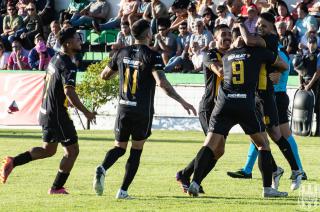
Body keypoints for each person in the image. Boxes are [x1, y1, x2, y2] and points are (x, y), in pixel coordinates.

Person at [92, 19, 196, 199]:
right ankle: (123, 191)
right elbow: (162, 82)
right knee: (136, 149)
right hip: (141, 110)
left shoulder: (121, 52)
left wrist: (123, 67)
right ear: (148, 34)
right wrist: (182, 101)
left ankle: (102, 167)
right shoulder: (152, 55)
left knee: (119, 147)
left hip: (123, 108)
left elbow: (104, 76)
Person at [185, 27, 289, 198]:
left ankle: (195, 183)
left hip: (223, 103)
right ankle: (268, 189)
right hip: (245, 103)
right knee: (263, 144)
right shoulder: (257, 53)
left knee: (209, 144)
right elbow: (284, 65)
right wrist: (274, 71)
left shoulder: (226, 56)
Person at [0, 27, 96, 194]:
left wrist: (62, 101)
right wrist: (86, 112)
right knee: (72, 151)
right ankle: (56, 187)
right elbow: (69, 91)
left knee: (48, 150)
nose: (80, 41)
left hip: (46, 112)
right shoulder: (68, 65)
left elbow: (51, 84)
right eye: (77, 38)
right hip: (57, 115)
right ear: (68, 43)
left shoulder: (55, 59)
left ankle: (12, 161)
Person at [227, 13, 304, 190]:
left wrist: (240, 24)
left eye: (264, 25)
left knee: (277, 135)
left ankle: (296, 169)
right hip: (255, 97)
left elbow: (284, 65)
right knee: (258, 137)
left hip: (268, 97)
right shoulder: (259, 43)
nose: (260, 28)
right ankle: (275, 169)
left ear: (272, 28)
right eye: (258, 25)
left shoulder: (270, 39)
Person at [176, 24, 231, 193]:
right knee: (213, 145)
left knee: (219, 150)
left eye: (229, 34)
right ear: (215, 38)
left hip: (225, 109)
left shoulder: (233, 55)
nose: (227, 37)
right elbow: (220, 72)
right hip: (210, 107)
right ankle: (191, 179)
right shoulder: (210, 54)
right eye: (223, 35)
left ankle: (188, 175)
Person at [298, 36, 320, 135]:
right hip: (306, 84)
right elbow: (300, 71)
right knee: (306, 108)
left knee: (318, 109)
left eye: (313, 43)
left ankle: (318, 131)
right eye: (310, 43)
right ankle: (306, 131)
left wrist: (309, 85)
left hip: (317, 85)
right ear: (307, 44)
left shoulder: (319, 55)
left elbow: (318, 72)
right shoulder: (304, 54)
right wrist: (300, 84)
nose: (312, 45)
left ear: (316, 44)